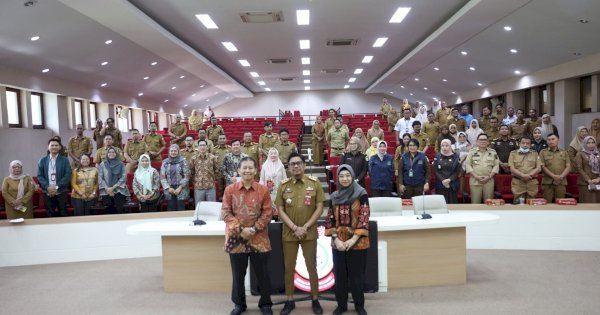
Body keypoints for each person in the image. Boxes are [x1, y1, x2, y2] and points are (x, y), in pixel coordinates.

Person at [222, 157, 274, 315]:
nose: (247, 171)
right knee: (238, 275)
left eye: (250, 168)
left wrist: (254, 229)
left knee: (263, 273)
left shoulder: (263, 190)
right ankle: (239, 304)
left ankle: (265, 303)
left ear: (256, 170)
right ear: (239, 170)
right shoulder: (230, 189)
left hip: (259, 238)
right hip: (236, 239)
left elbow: (267, 212)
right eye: (244, 168)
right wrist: (240, 229)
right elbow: (225, 212)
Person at [275, 152, 324, 315]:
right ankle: (290, 300)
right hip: (290, 234)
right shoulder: (283, 185)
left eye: (298, 163)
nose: (295, 166)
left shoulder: (314, 183)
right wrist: (295, 227)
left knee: (312, 267)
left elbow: (319, 207)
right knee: (289, 268)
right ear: (288, 168)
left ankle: (315, 299)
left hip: (309, 233)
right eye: (292, 164)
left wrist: (305, 227)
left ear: (303, 165)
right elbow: (280, 209)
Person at [324, 165, 370, 315]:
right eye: (342, 176)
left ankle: (359, 305)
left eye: (348, 175)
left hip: (357, 243)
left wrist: (353, 239)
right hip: (338, 243)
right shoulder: (334, 196)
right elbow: (330, 219)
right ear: (338, 178)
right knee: (340, 276)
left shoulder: (361, 194)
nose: (345, 179)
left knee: (357, 277)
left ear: (352, 176)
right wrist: (336, 240)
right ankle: (341, 306)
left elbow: (364, 217)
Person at [37, 139, 71, 217]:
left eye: (56, 145)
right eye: (52, 145)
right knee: (50, 214)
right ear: (48, 147)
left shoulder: (65, 160)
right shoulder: (42, 160)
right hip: (47, 192)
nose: (54, 147)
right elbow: (40, 175)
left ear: (59, 147)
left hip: (61, 191)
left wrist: (56, 187)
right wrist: (47, 187)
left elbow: (67, 175)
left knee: (63, 214)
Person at [465, 134, 499, 204]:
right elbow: (468, 165)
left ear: (488, 142)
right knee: (475, 202)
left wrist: (489, 177)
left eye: (485, 140)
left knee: (489, 203)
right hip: (475, 181)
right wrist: (476, 177)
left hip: (488, 181)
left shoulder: (493, 152)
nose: (483, 141)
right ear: (477, 142)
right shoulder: (472, 152)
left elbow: (496, 165)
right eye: (481, 140)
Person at [508, 136, 541, 204]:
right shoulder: (513, 154)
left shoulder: (535, 153)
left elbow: (539, 168)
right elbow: (512, 169)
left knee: (532, 204)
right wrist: (522, 175)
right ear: (519, 144)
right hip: (518, 182)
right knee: (518, 204)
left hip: (531, 182)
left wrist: (529, 175)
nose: (525, 145)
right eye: (523, 143)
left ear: (530, 144)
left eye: (527, 143)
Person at [539, 133, 571, 202]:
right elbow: (542, 167)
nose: (551, 141)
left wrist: (561, 177)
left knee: (560, 203)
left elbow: (568, 166)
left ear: (558, 140)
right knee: (547, 205)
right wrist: (554, 176)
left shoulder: (564, 152)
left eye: (553, 139)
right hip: (548, 183)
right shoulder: (543, 152)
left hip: (561, 182)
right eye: (549, 140)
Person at [98, 147, 130, 214]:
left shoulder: (121, 164)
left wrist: (113, 188)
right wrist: (107, 188)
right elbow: (100, 177)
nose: (111, 153)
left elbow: (123, 177)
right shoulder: (102, 164)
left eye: (113, 152)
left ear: (116, 154)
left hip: (119, 189)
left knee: (119, 208)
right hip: (105, 190)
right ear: (107, 154)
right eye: (109, 152)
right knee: (108, 209)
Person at [160, 144, 190, 211]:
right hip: (169, 189)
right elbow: (162, 177)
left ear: (178, 151)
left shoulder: (183, 161)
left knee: (180, 209)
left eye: (175, 151)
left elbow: (187, 176)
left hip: (181, 189)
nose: (173, 152)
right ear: (169, 152)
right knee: (171, 209)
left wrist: (180, 188)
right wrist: (168, 188)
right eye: (172, 151)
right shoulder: (165, 162)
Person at [190, 139, 219, 203]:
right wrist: (195, 182)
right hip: (199, 187)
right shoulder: (193, 158)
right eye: (200, 145)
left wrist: (212, 179)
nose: (202, 147)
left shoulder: (213, 158)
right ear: (198, 147)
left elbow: (217, 170)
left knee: (212, 206)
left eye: (204, 145)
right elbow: (192, 172)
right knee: (199, 207)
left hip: (210, 186)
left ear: (207, 147)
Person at [433, 139, 461, 204]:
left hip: (452, 184)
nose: (444, 147)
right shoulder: (437, 156)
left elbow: (457, 171)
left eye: (446, 145)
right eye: (442, 145)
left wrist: (449, 180)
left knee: (452, 204)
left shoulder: (455, 157)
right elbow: (435, 171)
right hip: (440, 184)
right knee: (441, 204)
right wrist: (443, 180)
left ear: (450, 146)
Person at [575, 136, 600, 203]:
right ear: (585, 143)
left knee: (597, 204)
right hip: (585, 183)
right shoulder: (580, 154)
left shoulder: (598, 153)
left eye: (593, 142)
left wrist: (598, 179)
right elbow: (579, 168)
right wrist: (589, 180)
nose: (591, 144)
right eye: (588, 143)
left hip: (597, 182)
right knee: (586, 204)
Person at [214, 134, 232, 200]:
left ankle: (228, 200)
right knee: (219, 188)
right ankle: (220, 202)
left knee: (229, 188)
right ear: (218, 140)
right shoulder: (214, 149)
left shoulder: (230, 149)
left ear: (226, 139)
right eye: (220, 139)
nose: (222, 140)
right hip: (218, 172)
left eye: (223, 138)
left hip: (228, 173)